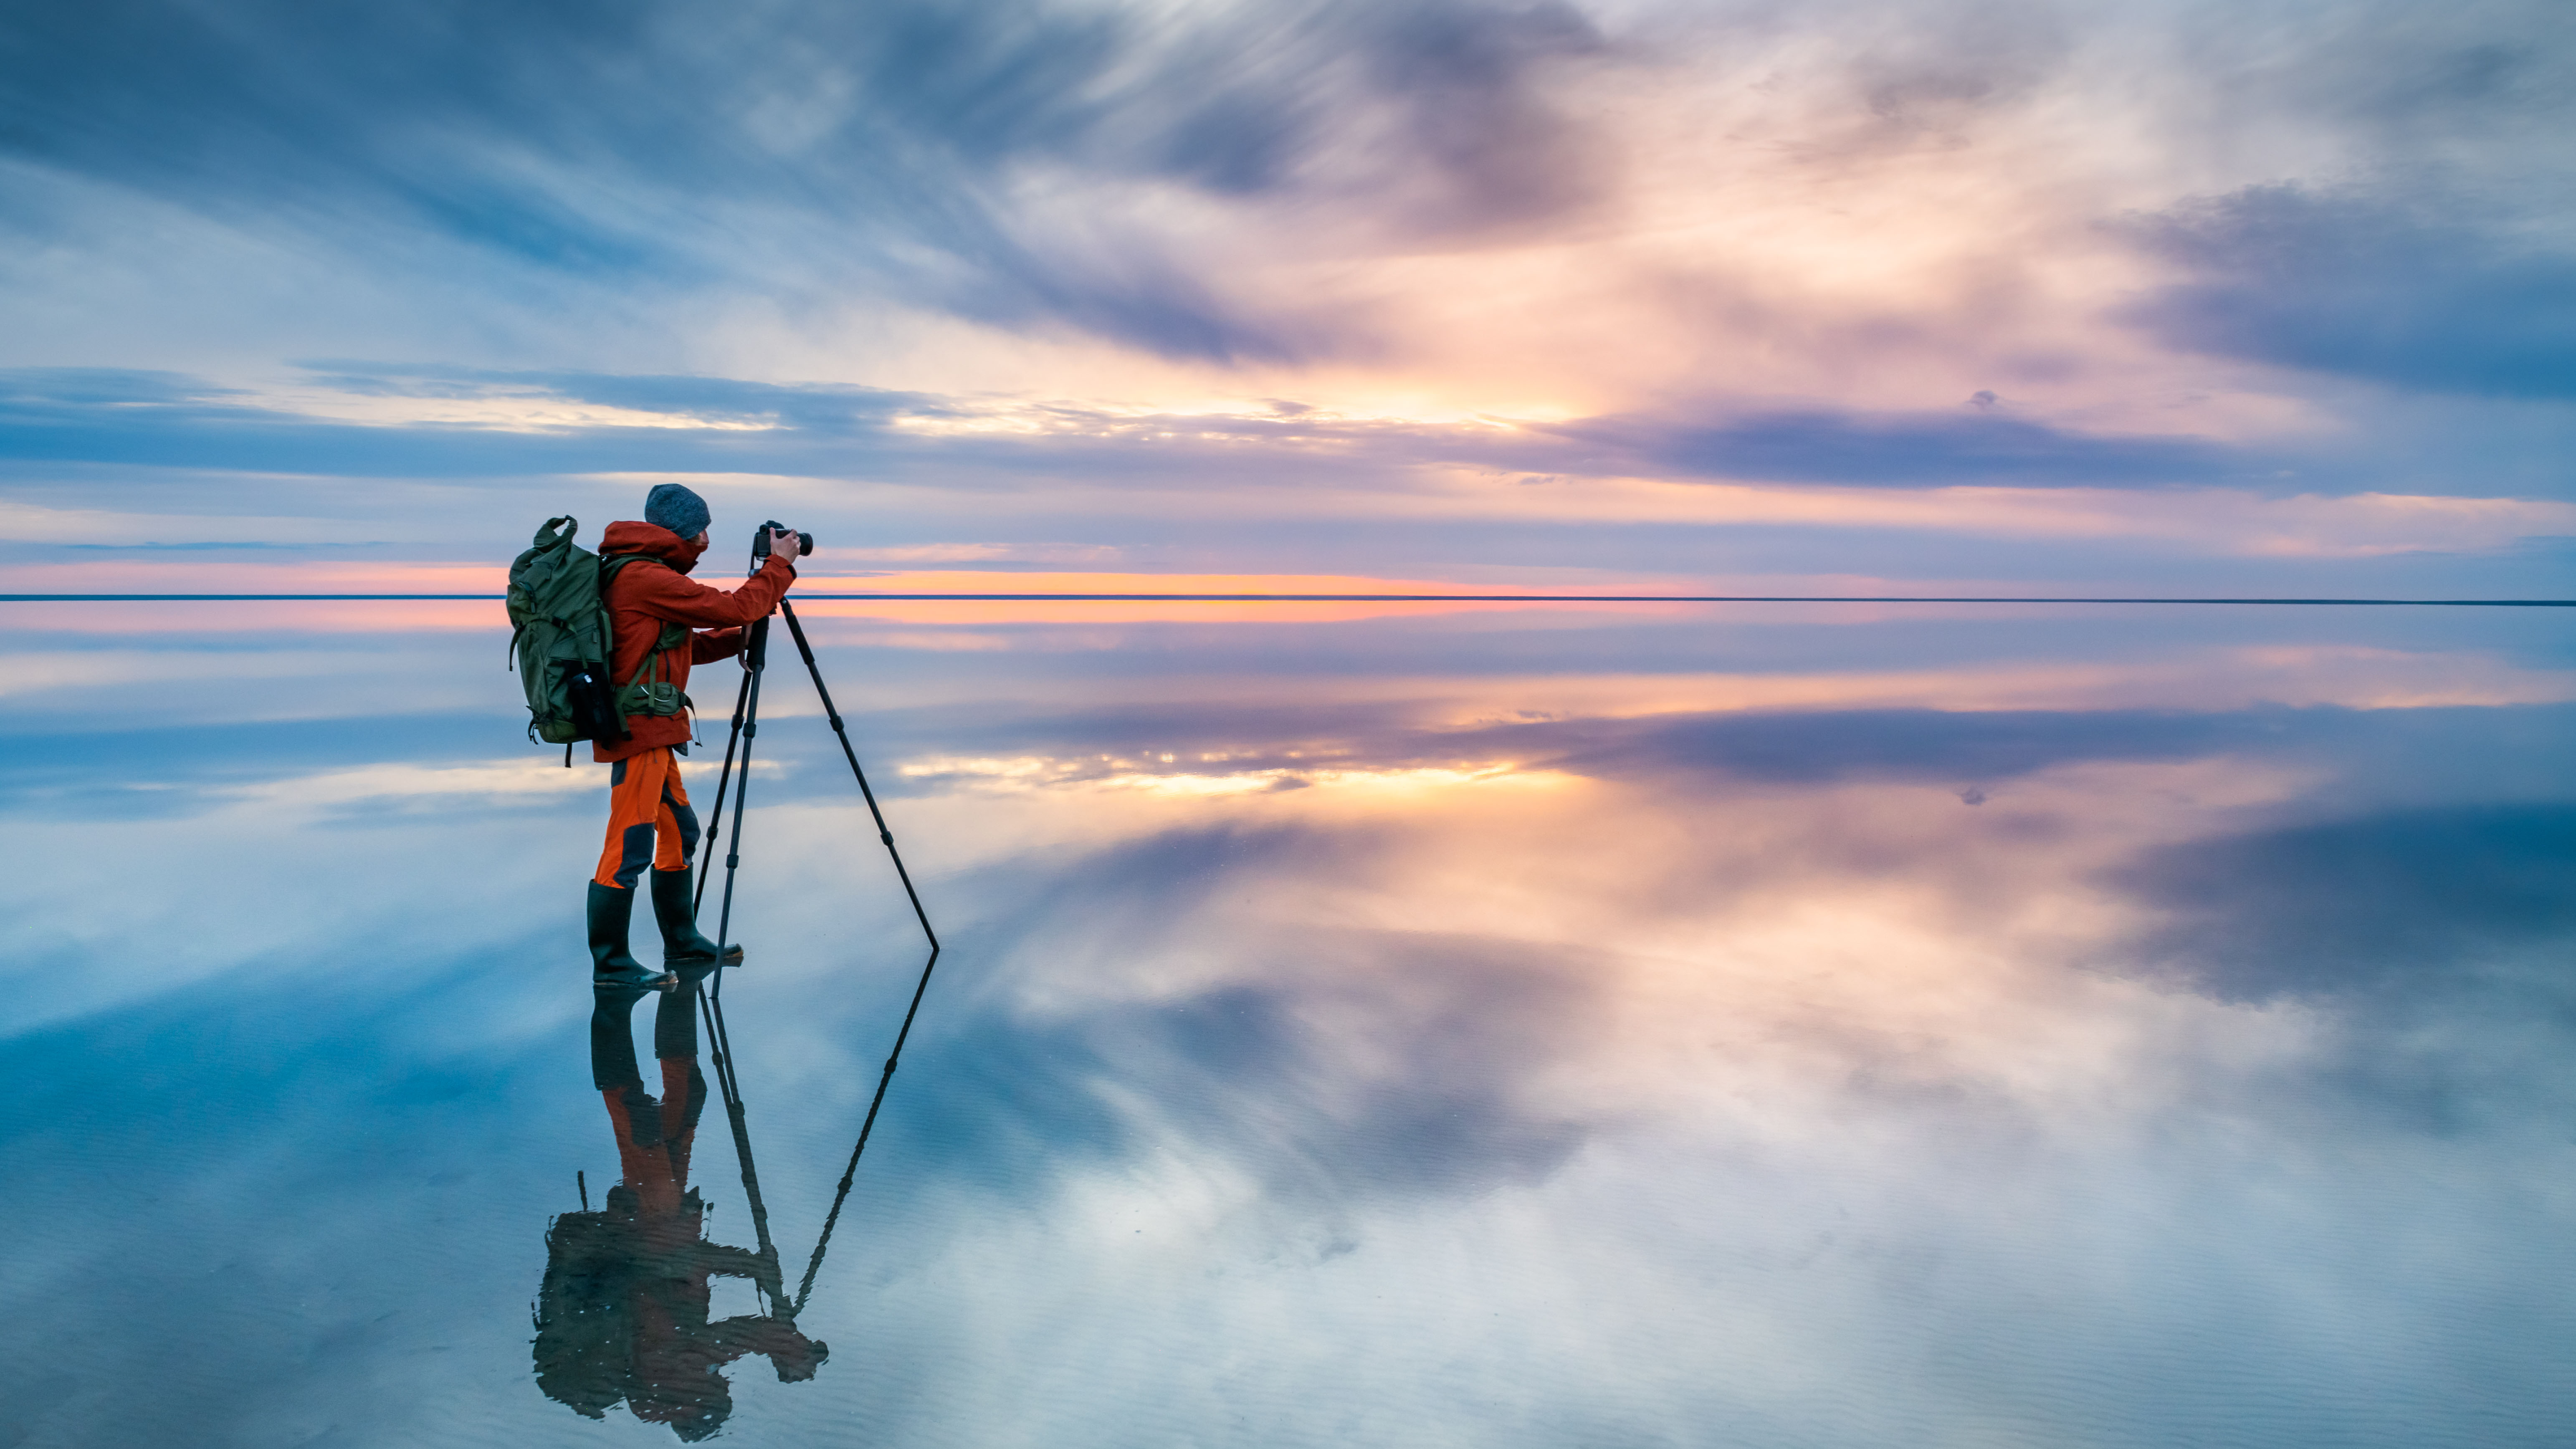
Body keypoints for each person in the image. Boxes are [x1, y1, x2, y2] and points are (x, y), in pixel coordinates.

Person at [534, 982, 829, 1438]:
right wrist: (751, 1271)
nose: (719, 1380)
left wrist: (790, 1347)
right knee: (683, 1099)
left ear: (695, 1405)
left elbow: (734, 1329)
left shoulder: (667, 1381)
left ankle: (621, 998)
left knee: (643, 1116)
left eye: (716, 1390)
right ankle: (680, 983)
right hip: (658, 1228)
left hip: (652, 1230)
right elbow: (699, 1288)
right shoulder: (669, 1383)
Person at [586, 482, 802, 989]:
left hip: (657, 729)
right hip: (638, 731)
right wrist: (780, 567)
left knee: (679, 833)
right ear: (677, 532)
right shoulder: (642, 576)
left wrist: (737, 640)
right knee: (630, 842)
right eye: (699, 530)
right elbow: (731, 607)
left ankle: (682, 943)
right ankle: (611, 965)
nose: (705, 540)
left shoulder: (642, 574)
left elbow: (681, 649)